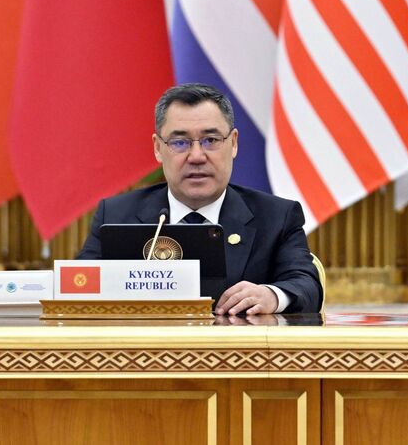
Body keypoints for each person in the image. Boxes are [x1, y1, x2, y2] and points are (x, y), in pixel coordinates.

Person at [77, 83, 322, 314]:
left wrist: (271, 295)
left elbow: (306, 284)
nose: (196, 156)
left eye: (211, 140)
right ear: (158, 148)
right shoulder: (117, 215)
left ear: (233, 143)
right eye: (179, 142)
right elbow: (78, 286)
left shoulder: (276, 217)